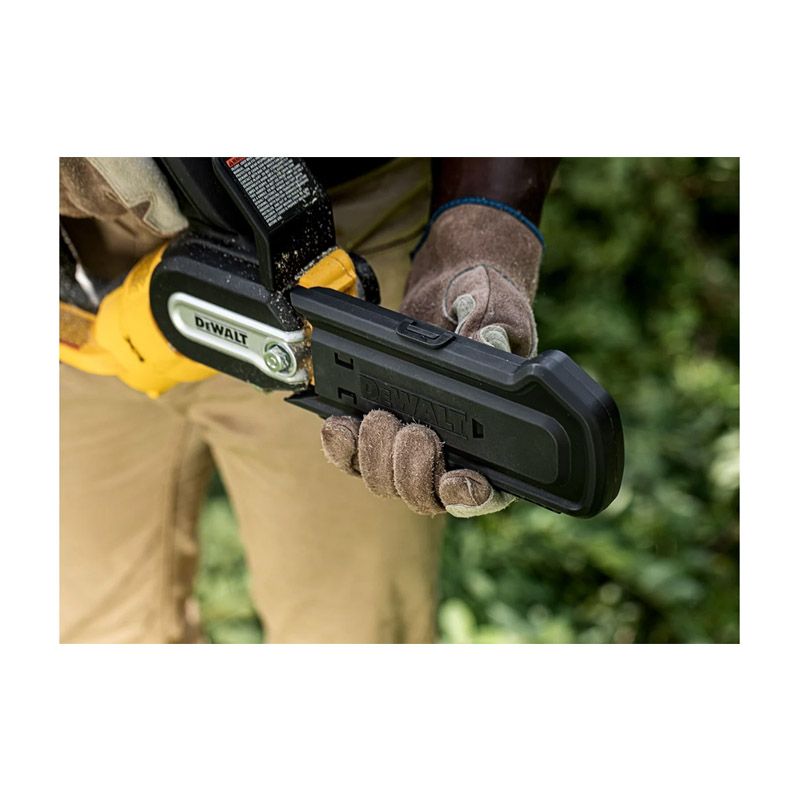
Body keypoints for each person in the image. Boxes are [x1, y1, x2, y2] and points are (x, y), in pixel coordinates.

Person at [59, 157, 559, 643]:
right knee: (94, 629)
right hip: (73, 270)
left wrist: (481, 228)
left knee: (348, 633)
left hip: (329, 254)